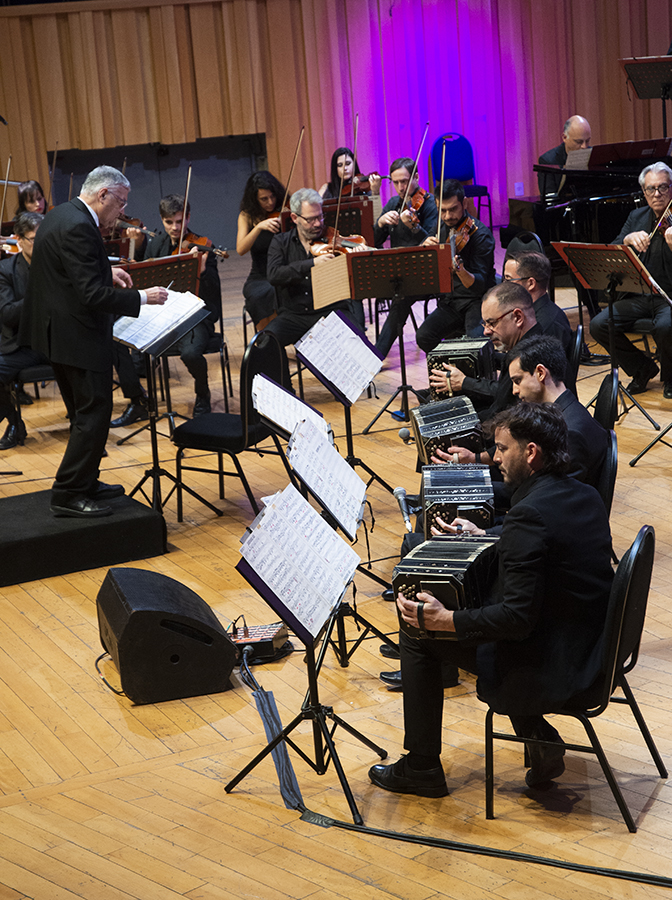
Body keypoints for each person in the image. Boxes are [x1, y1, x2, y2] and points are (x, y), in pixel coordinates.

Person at [368, 402, 614, 797]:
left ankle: (422, 766)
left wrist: (445, 620)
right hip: (592, 643)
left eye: (501, 449)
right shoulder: (584, 495)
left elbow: (517, 618)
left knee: (417, 629)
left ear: (530, 452)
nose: (494, 458)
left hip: (555, 663)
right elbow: (551, 555)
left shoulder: (529, 512)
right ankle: (536, 733)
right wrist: (481, 537)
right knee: (468, 605)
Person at [20, 166, 167, 517]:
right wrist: (143, 298)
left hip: (59, 333)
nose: (121, 213)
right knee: (94, 414)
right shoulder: (77, 226)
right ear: (103, 195)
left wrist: (107, 270)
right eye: (120, 203)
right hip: (77, 337)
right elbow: (90, 295)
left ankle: (85, 481)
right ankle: (68, 493)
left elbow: (68, 271)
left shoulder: (62, 215)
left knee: (84, 413)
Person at [120, 194, 221, 420]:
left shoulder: (203, 245)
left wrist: (202, 273)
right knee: (132, 346)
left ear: (188, 218)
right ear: (161, 219)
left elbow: (214, 292)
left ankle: (202, 393)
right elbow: (145, 280)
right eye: (169, 222)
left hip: (195, 316)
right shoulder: (156, 244)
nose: (175, 227)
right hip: (164, 314)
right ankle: (143, 402)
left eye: (180, 221)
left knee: (191, 353)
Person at [589, 162, 672, 398]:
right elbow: (613, 251)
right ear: (644, 193)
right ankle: (642, 368)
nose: (657, 194)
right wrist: (626, 240)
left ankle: (671, 378)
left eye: (663, 188)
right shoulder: (636, 216)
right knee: (599, 324)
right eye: (651, 189)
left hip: (668, 298)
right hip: (639, 294)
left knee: (666, 326)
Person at [264, 188, 364, 369]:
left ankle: (345, 391)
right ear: (295, 218)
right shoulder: (280, 242)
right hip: (295, 314)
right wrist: (311, 265)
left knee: (357, 341)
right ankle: (286, 392)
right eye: (311, 219)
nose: (318, 224)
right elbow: (274, 274)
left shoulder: (333, 240)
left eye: (320, 217)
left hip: (330, 311)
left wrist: (357, 258)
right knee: (266, 342)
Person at [429, 281, 542, 422]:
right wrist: (487, 357)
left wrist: (459, 421)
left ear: (518, 317)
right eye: (485, 323)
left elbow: (501, 406)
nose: (486, 331)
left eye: (492, 323)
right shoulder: (532, 340)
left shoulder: (527, 355)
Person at [415, 180, 496, 354]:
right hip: (450, 302)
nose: (448, 216)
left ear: (464, 203)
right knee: (423, 336)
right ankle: (451, 369)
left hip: (476, 302)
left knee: (476, 344)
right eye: (442, 210)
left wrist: (461, 271)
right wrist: (424, 248)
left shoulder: (481, 235)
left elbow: (480, 284)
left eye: (453, 209)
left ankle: (474, 375)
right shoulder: (439, 228)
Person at [373, 157, 439, 358]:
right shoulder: (393, 203)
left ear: (417, 177)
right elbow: (374, 241)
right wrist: (381, 223)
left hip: (424, 271)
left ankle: (376, 355)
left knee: (400, 298)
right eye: (396, 182)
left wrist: (413, 226)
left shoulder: (429, 205)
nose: (401, 187)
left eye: (405, 181)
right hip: (399, 272)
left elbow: (433, 242)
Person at [0, 211, 49, 449]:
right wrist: (38, 295)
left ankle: (84, 435)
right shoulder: (6, 270)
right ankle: (14, 422)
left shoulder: (57, 265)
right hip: (23, 345)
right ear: (19, 239)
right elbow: (8, 314)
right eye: (34, 239)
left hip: (55, 342)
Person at [237, 170, 286, 332]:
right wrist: (258, 227)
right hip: (259, 276)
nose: (270, 202)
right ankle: (267, 341)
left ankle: (271, 341)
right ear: (254, 199)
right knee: (260, 295)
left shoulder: (285, 210)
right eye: (264, 199)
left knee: (276, 292)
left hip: (283, 272)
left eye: (272, 196)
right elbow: (241, 249)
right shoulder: (247, 216)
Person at [503, 252, 572, 353]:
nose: (504, 285)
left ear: (531, 283)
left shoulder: (545, 327)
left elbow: (531, 366)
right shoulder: (531, 313)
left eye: (508, 279)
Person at [537, 115, 592, 195]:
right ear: (565, 137)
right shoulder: (548, 160)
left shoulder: (593, 155)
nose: (584, 146)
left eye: (587, 141)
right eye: (579, 142)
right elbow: (549, 197)